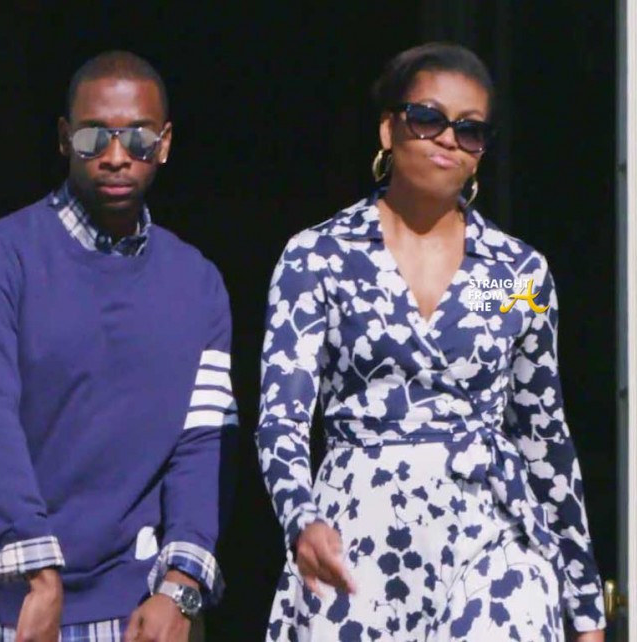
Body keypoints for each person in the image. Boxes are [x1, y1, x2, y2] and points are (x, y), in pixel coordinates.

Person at [256, 42, 605, 641]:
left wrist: (585, 603)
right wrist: (301, 519)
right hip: (359, 537)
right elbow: (282, 417)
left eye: (471, 130)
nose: (448, 139)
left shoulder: (510, 274)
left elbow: (543, 433)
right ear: (388, 129)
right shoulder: (321, 257)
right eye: (427, 118)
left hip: (490, 535)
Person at [0, 50, 237, 642]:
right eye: (93, 136)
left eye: (140, 138)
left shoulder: (197, 282)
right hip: (25, 611)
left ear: (166, 143)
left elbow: (203, 441)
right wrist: (37, 572)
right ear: (63, 138)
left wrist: (181, 584)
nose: (116, 155)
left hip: (148, 613)